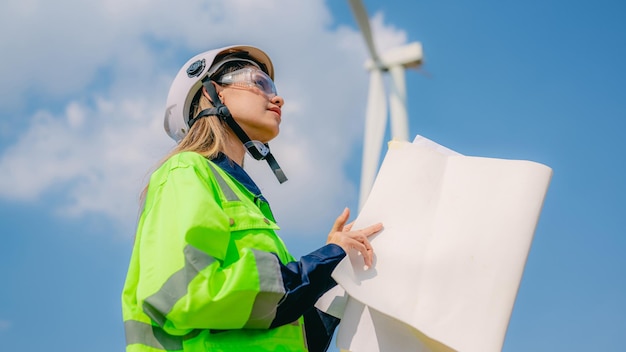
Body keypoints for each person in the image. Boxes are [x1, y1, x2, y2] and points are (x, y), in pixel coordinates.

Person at [121, 44, 383, 352]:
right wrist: (318, 263)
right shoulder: (185, 171)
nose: (277, 97)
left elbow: (294, 336)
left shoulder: (245, 197)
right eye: (259, 82)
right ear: (212, 93)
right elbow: (184, 291)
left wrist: (334, 266)